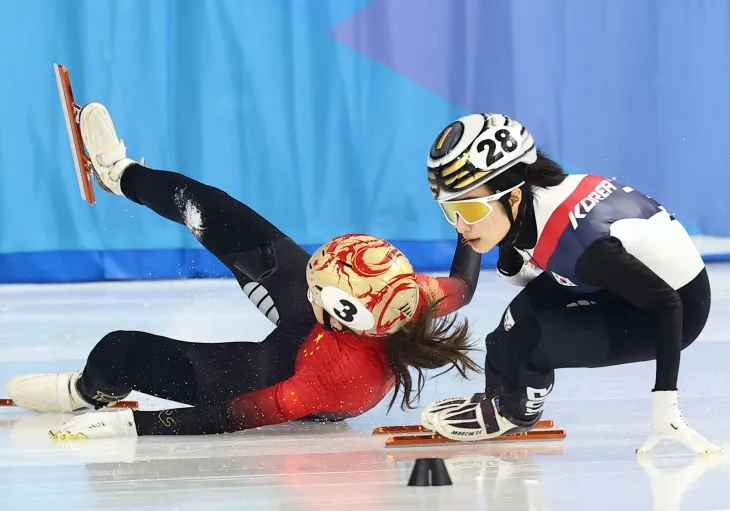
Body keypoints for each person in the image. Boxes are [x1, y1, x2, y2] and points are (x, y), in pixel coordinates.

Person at [6, 102, 482, 439]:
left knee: (119, 351)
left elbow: (233, 417)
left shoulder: (332, 376)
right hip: (328, 331)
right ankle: (120, 174)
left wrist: (133, 424)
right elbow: (463, 283)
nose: (307, 288)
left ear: (341, 308)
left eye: (316, 289)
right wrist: (476, 219)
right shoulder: (407, 293)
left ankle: (87, 390)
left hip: (283, 373)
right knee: (217, 211)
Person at [419, 112, 721, 456]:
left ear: (513, 197)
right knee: (505, 333)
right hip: (613, 280)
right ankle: (500, 396)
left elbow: (668, 304)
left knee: (531, 344)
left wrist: (665, 408)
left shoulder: (580, 244)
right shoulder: (525, 202)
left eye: (470, 211)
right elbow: (517, 273)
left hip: (672, 308)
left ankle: (516, 413)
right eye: (449, 211)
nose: (460, 226)